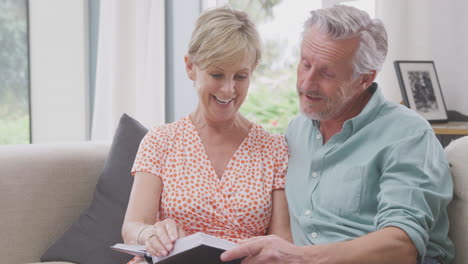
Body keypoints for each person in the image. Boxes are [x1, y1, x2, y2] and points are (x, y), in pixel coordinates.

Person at [221, 5, 454, 264]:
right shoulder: (296, 131)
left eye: (327, 73)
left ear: (364, 79)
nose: (306, 83)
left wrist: (300, 257)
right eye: (305, 64)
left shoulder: (408, 135)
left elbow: (402, 244)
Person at [121, 6, 291, 264]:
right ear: (191, 67)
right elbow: (133, 226)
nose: (228, 89)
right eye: (217, 74)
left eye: (240, 76)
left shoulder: (273, 148)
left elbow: (282, 240)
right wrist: (151, 234)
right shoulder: (160, 141)